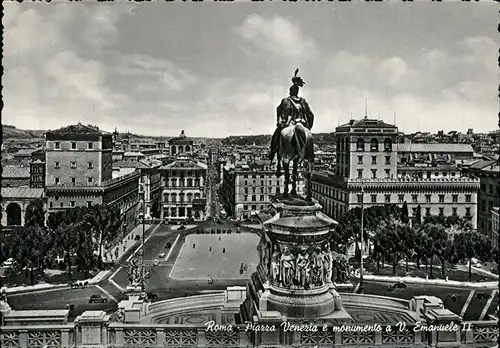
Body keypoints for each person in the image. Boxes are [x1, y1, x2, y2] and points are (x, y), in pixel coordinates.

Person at [268, 69, 315, 163]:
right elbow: (311, 115)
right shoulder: (303, 102)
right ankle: (310, 155)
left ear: (290, 91)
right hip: (302, 123)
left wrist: (281, 122)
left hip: (290, 123)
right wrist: (309, 127)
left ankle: (272, 152)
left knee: (276, 134)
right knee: (309, 137)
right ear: (297, 92)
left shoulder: (286, 101)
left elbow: (282, 113)